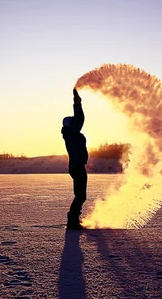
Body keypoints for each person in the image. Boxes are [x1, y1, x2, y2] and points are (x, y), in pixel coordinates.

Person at [61, 88, 88, 229]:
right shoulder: (71, 134)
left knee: (81, 195)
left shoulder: (70, 134)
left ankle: (74, 218)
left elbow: (79, 120)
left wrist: (77, 102)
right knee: (80, 196)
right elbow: (80, 118)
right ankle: (72, 220)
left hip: (77, 166)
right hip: (77, 167)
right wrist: (77, 103)